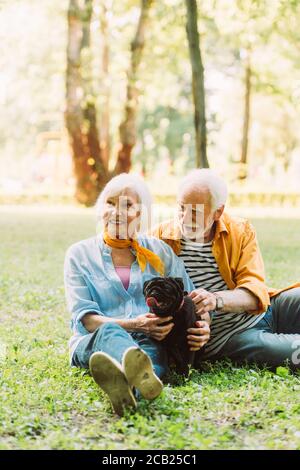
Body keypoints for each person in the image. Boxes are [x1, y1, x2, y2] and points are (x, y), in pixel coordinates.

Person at [64, 173, 210, 416]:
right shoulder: (79, 254)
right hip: (94, 340)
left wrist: (204, 325)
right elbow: (88, 320)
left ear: (141, 213)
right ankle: (131, 368)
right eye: (110, 203)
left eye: (127, 205)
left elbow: (191, 299)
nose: (117, 212)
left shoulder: (159, 253)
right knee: (110, 332)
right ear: (101, 208)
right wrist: (136, 324)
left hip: (147, 341)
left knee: (153, 361)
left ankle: (129, 392)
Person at [152, 169, 300, 370]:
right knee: (295, 353)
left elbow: (254, 290)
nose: (185, 218)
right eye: (181, 208)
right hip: (231, 336)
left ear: (218, 212)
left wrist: (215, 299)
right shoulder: (159, 240)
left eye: (195, 212)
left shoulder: (240, 230)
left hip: (268, 309)